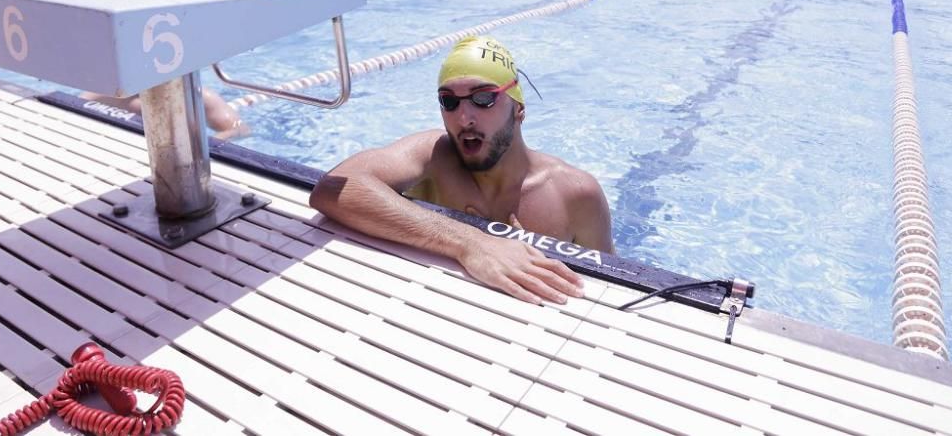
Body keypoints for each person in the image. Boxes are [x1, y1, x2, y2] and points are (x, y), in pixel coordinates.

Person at [311, 35, 613, 305]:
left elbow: (612, 291)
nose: (464, 117)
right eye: (449, 101)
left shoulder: (574, 194)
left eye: (484, 98)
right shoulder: (434, 156)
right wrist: (471, 242)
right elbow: (335, 187)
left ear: (518, 107)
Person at [80, 88, 248, 141]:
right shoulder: (110, 94)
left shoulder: (197, 97)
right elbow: (75, 110)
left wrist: (201, 147)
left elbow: (240, 129)